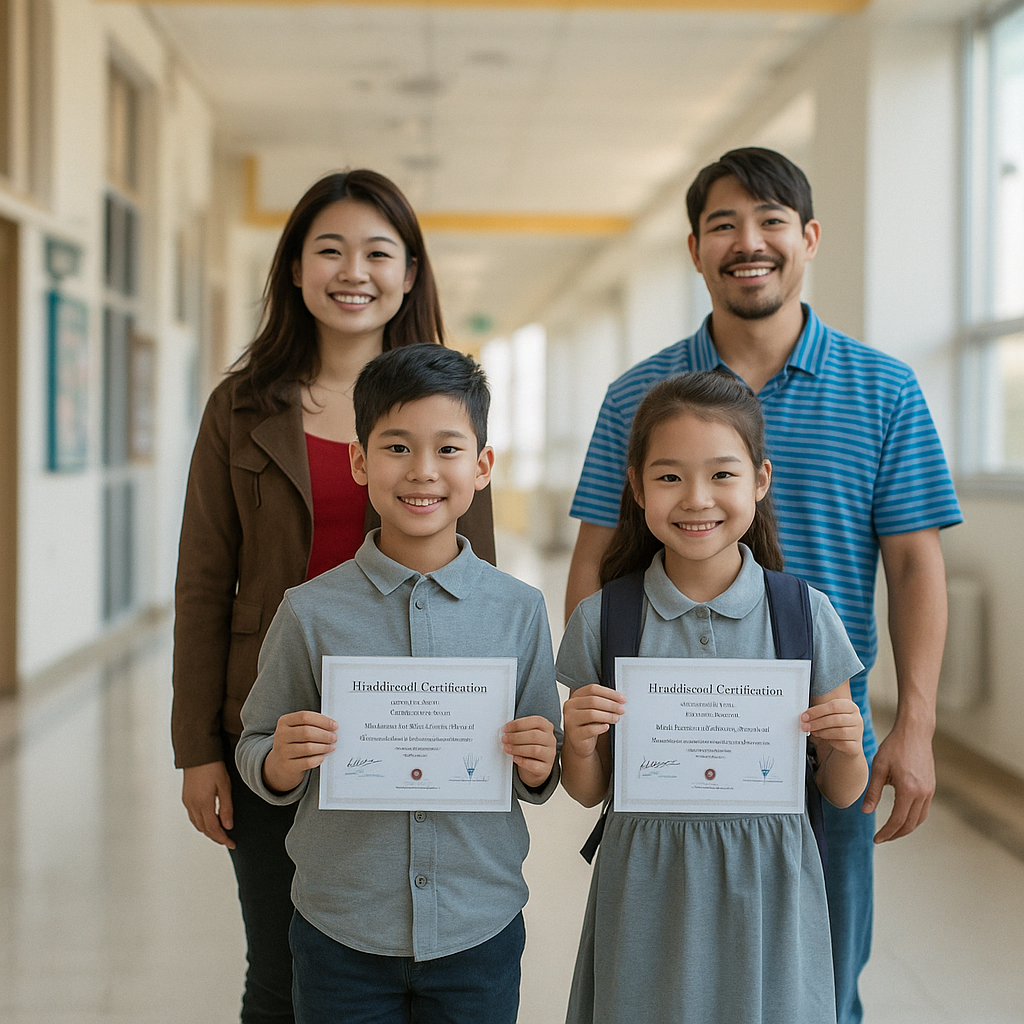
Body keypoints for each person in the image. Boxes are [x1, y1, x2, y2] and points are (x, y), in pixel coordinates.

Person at [564, 148, 962, 1024]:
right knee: (662, 978)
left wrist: (916, 724)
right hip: (669, 750)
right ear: (695, 249)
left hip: (821, 743)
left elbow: (914, 563)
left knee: (815, 980)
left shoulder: (885, 389)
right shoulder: (638, 392)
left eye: (772, 221)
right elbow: (594, 559)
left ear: (808, 237)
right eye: (724, 225)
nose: (750, 242)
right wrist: (594, 701)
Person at [171, 170, 496, 1024]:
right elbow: (204, 583)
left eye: (378, 252)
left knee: (407, 966)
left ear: (411, 273)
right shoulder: (240, 409)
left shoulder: (448, 400)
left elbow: (481, 577)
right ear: (294, 270)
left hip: (415, 724)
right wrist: (198, 747)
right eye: (330, 250)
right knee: (281, 973)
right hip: (278, 727)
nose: (354, 270)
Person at [235, 344, 561, 1024]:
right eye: (396, 447)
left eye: (448, 449)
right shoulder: (310, 610)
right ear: (360, 461)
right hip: (340, 929)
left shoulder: (518, 609)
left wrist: (540, 761)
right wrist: (276, 760)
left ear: (482, 466)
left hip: (479, 923)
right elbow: (256, 741)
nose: (422, 472)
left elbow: (541, 755)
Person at [559, 370, 869, 1024]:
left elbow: (843, 791)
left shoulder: (805, 616)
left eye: (722, 475)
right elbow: (588, 791)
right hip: (646, 889)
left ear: (760, 480)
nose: (697, 498)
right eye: (669, 477)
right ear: (637, 487)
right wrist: (579, 739)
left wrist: (844, 746)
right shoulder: (603, 618)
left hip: (770, 891)